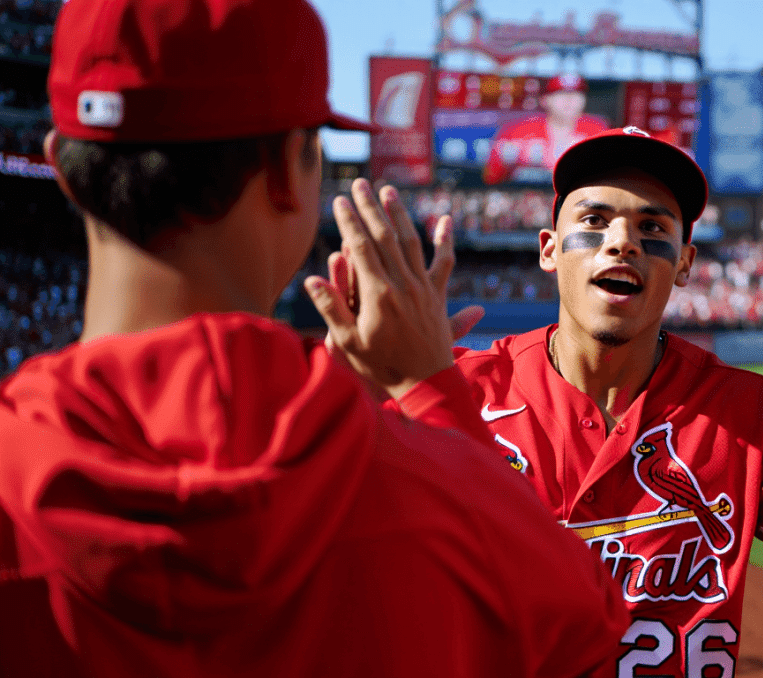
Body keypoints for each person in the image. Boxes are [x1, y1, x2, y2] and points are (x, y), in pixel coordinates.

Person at [0, 1, 630, 676]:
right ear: (286, 173)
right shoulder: (435, 496)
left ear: (62, 168)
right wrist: (430, 396)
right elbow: (584, 623)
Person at [315, 126, 763, 675]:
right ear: (549, 250)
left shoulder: (752, 416)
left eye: (651, 226)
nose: (622, 241)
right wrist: (341, 408)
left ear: (684, 263)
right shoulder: (452, 394)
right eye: (594, 221)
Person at [482, 73, 607, 185]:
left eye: (576, 94)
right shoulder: (518, 130)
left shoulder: (597, 129)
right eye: (561, 94)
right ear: (544, 100)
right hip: (527, 194)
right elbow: (490, 177)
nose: (570, 100)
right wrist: (514, 158)